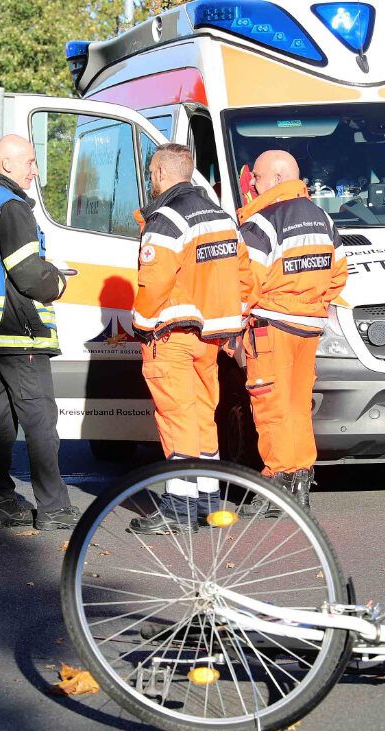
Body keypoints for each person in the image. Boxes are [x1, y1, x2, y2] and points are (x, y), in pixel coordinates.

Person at [0, 133, 77, 531]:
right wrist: (57, 281)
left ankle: (3, 502)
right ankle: (55, 507)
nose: (35, 170)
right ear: (6, 164)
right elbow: (27, 273)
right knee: (40, 421)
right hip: (19, 333)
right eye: (29, 162)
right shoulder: (12, 207)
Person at [128, 144, 248, 534]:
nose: (150, 180)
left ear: (161, 173)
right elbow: (244, 274)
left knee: (176, 420)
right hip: (209, 339)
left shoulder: (165, 218)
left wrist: (143, 324)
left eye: (151, 173)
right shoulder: (221, 218)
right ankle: (210, 504)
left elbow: (155, 280)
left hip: (171, 336)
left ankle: (179, 508)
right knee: (202, 419)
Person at [238, 150, 347, 511]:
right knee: (298, 407)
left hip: (271, 327)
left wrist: (233, 328)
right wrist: (312, 306)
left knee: (271, 405)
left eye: (256, 176)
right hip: (309, 328)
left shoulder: (263, 222)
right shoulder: (323, 219)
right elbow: (338, 276)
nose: (252, 183)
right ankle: (300, 481)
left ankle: (276, 484)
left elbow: (245, 283)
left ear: (278, 178)